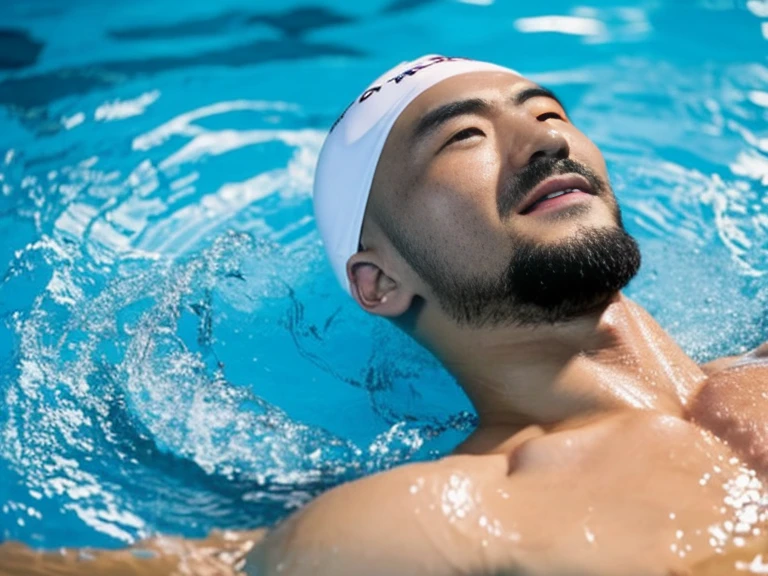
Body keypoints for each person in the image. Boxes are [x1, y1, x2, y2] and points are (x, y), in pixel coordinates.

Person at [1, 54, 766, 576]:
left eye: (548, 110)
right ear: (378, 282)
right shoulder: (449, 513)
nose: (546, 136)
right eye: (465, 136)